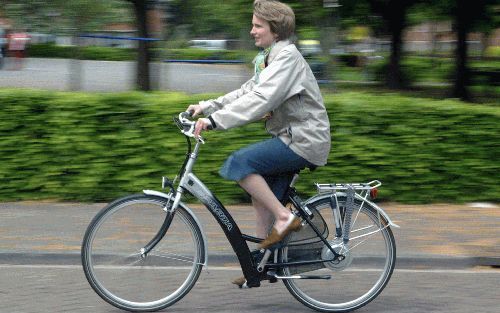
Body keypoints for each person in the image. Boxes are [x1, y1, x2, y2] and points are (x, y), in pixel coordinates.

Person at [186, 0, 331, 286]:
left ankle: (284, 217)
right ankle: (263, 262)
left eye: (257, 25)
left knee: (240, 163)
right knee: (259, 190)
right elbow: (249, 90)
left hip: (304, 140)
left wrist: (217, 121)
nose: (252, 30)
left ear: (275, 30)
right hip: (293, 138)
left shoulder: (287, 58)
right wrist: (207, 107)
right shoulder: (274, 57)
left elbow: (261, 100)